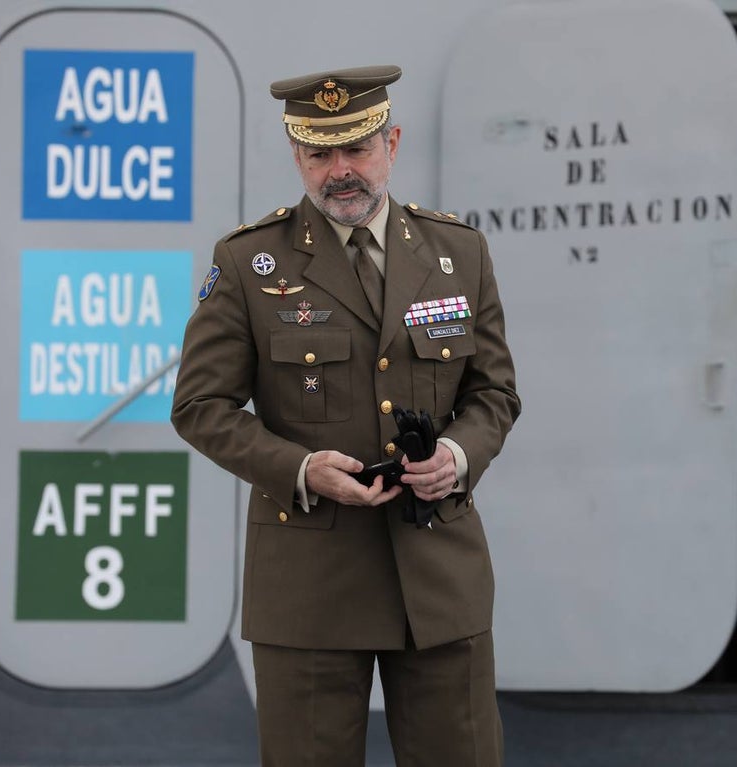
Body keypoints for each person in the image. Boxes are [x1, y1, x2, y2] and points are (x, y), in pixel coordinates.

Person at [171, 64, 520, 766]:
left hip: (437, 575)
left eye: (356, 148)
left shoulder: (459, 252)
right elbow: (200, 406)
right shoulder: (248, 263)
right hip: (310, 581)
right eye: (319, 153)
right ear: (297, 157)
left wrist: (455, 456)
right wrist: (299, 468)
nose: (340, 171)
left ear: (392, 143)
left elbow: (494, 393)